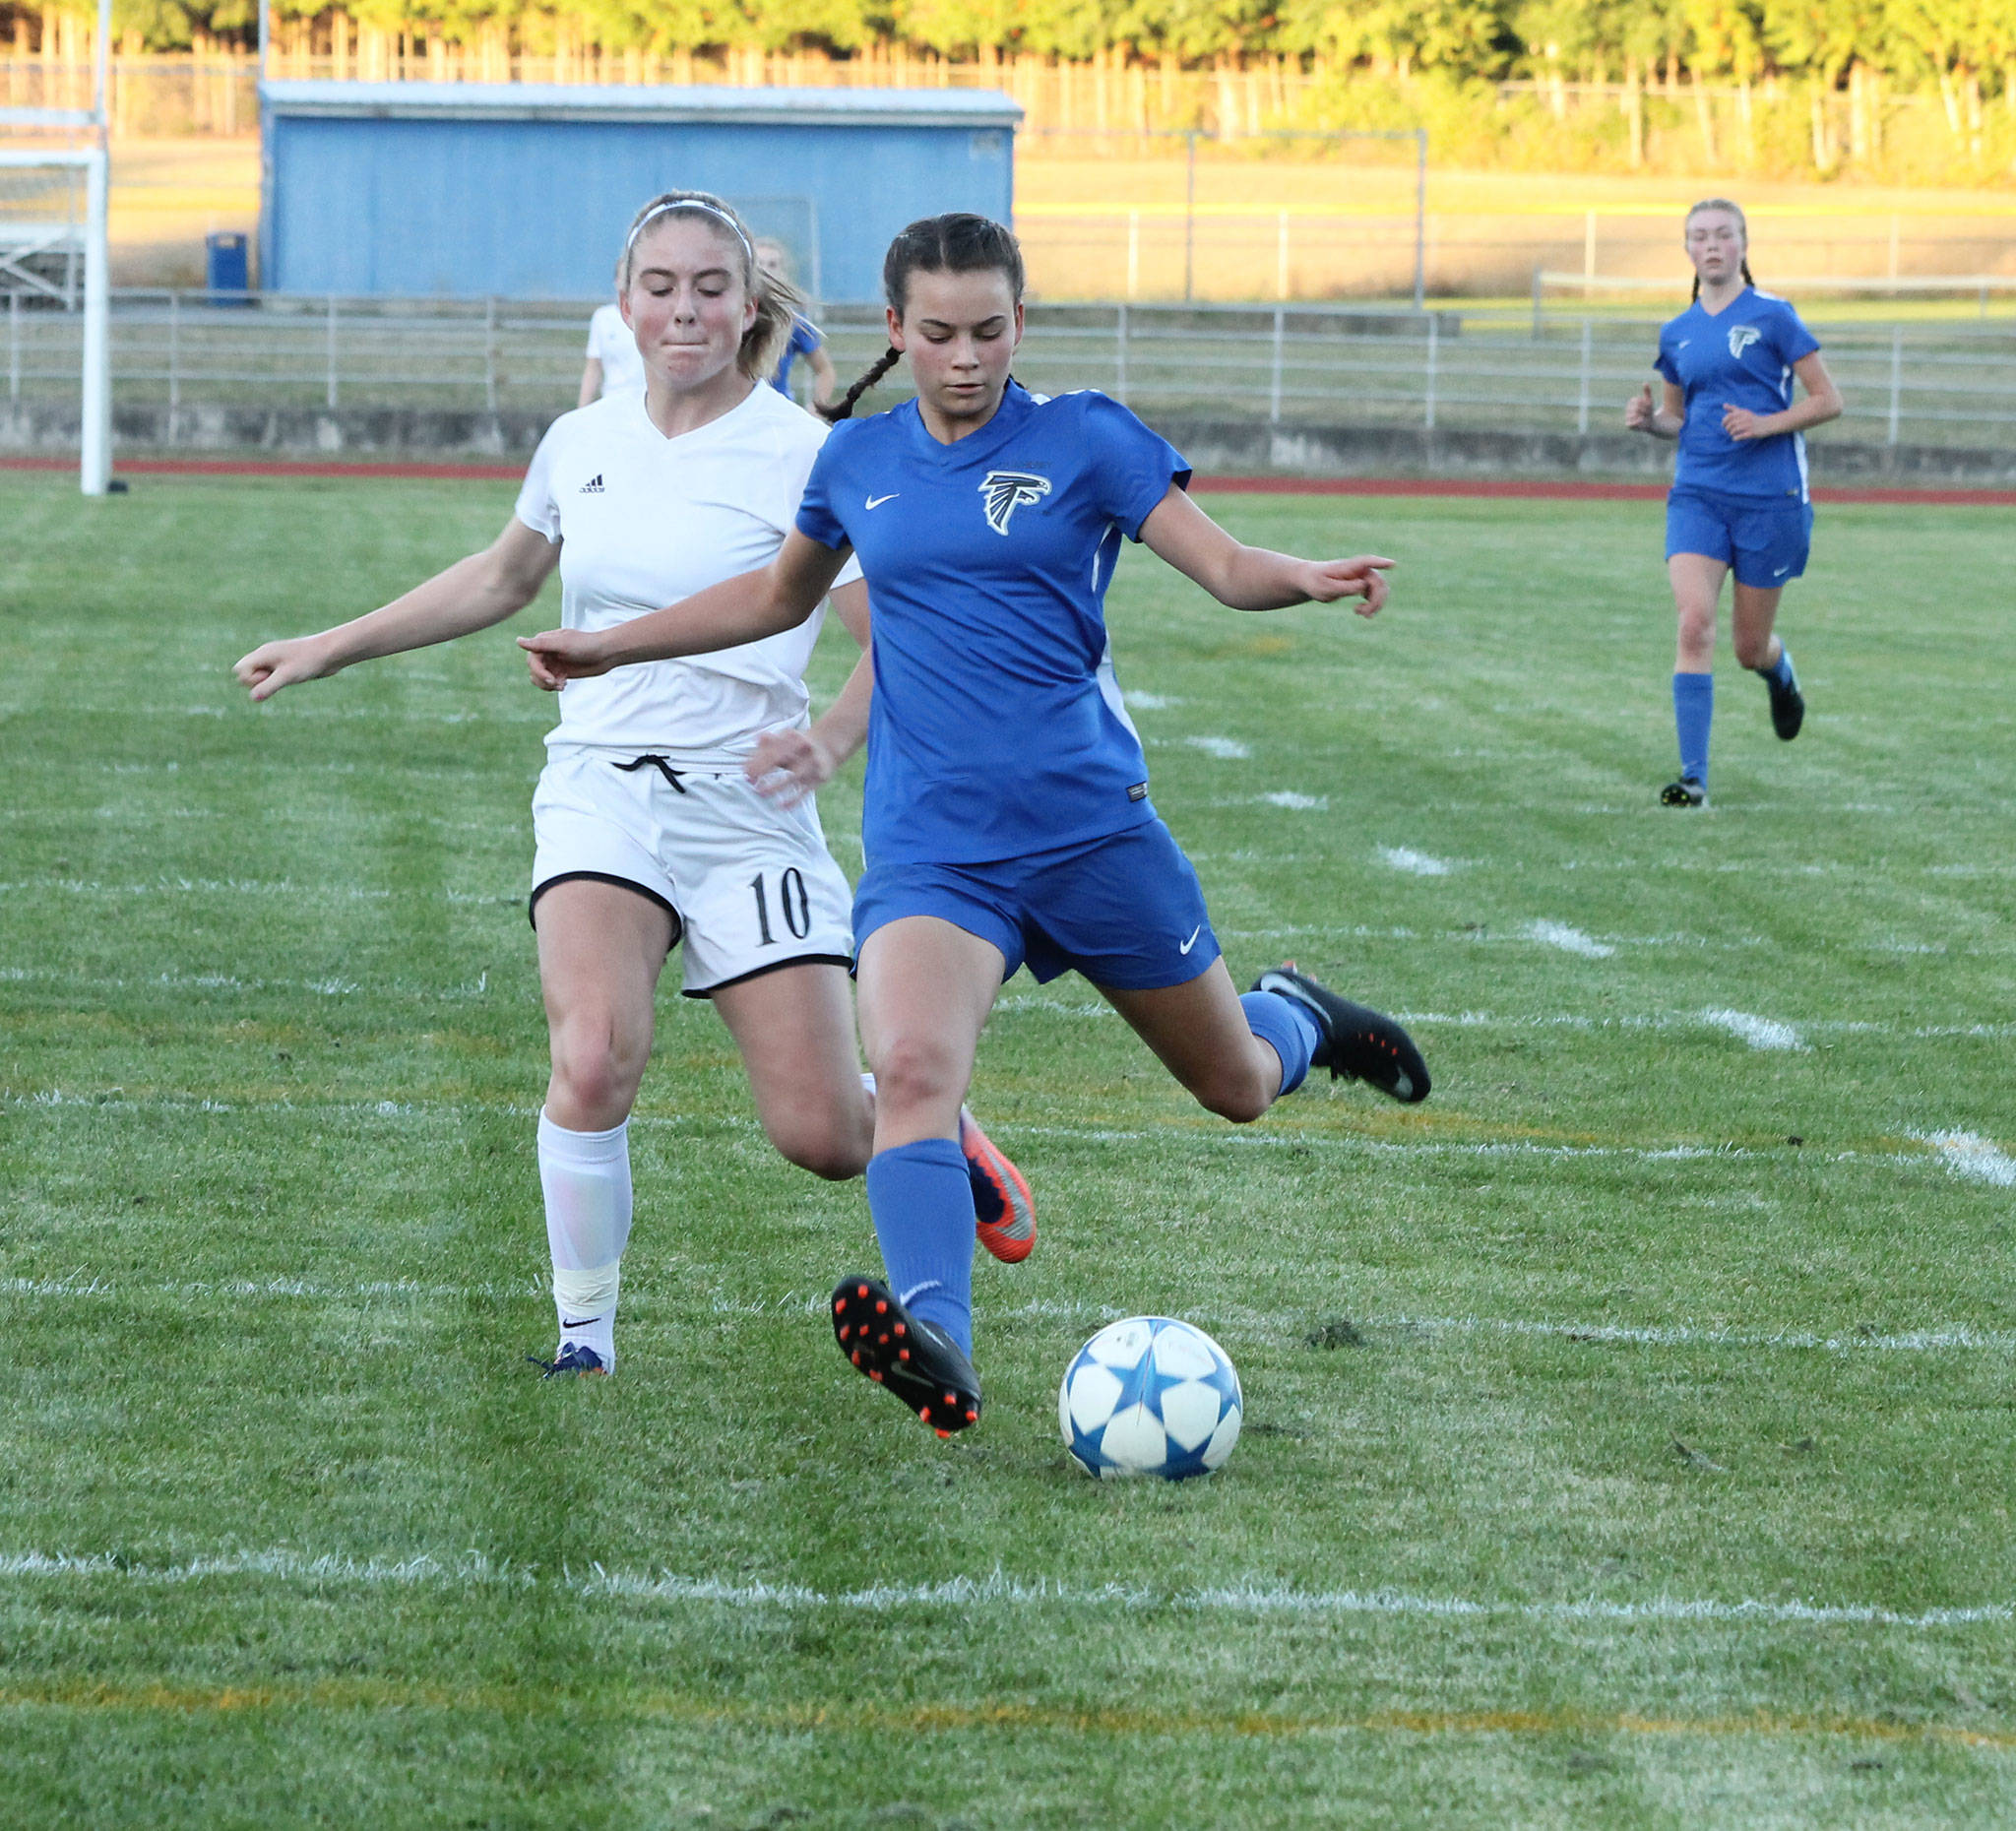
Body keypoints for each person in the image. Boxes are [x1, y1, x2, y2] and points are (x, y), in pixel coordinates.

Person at [520, 213, 1429, 1438]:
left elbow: (1218, 565)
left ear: (1020, 325)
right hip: (933, 846)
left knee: (1235, 1087)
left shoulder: (1086, 438)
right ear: (894, 330)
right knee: (907, 1069)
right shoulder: (855, 462)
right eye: (937, 333)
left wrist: (1302, 576)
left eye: (989, 331)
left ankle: (1300, 1019)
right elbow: (767, 598)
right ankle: (934, 1336)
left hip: (1089, 833)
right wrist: (606, 642)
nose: (964, 358)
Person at [234, 191, 1033, 1384]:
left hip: (747, 803)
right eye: (659, 287)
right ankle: (584, 1336)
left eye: (709, 287)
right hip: (600, 783)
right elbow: (503, 578)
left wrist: (824, 739)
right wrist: (329, 645)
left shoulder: (808, 456)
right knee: (595, 1049)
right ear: (624, 305)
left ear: (748, 304)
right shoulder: (583, 440)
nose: (684, 310)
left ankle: (932, 1130)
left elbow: (889, 636)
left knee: (818, 1134)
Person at [1625, 198, 1843, 808]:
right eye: (1699, 236)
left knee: (1748, 647)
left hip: (1770, 498)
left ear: (1744, 245)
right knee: (1693, 623)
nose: (1712, 245)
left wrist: (1767, 423)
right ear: (1688, 250)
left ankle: (1779, 671)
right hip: (1697, 494)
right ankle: (1693, 779)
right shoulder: (1677, 331)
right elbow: (1679, 417)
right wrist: (1649, 424)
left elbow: (1828, 400)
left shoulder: (1775, 316)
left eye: (1724, 234)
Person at [755, 236, 837, 410]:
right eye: (759, 263)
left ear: (783, 272)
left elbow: (825, 370)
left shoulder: (793, 321)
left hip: (777, 412)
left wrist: (816, 409)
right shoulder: (732, 316)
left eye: (772, 264)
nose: (765, 270)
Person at [578, 258, 645, 407]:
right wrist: (581, 410)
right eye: (624, 277)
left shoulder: (652, 318)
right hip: (613, 402)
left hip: (647, 405)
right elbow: (593, 367)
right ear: (616, 281)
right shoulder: (603, 318)